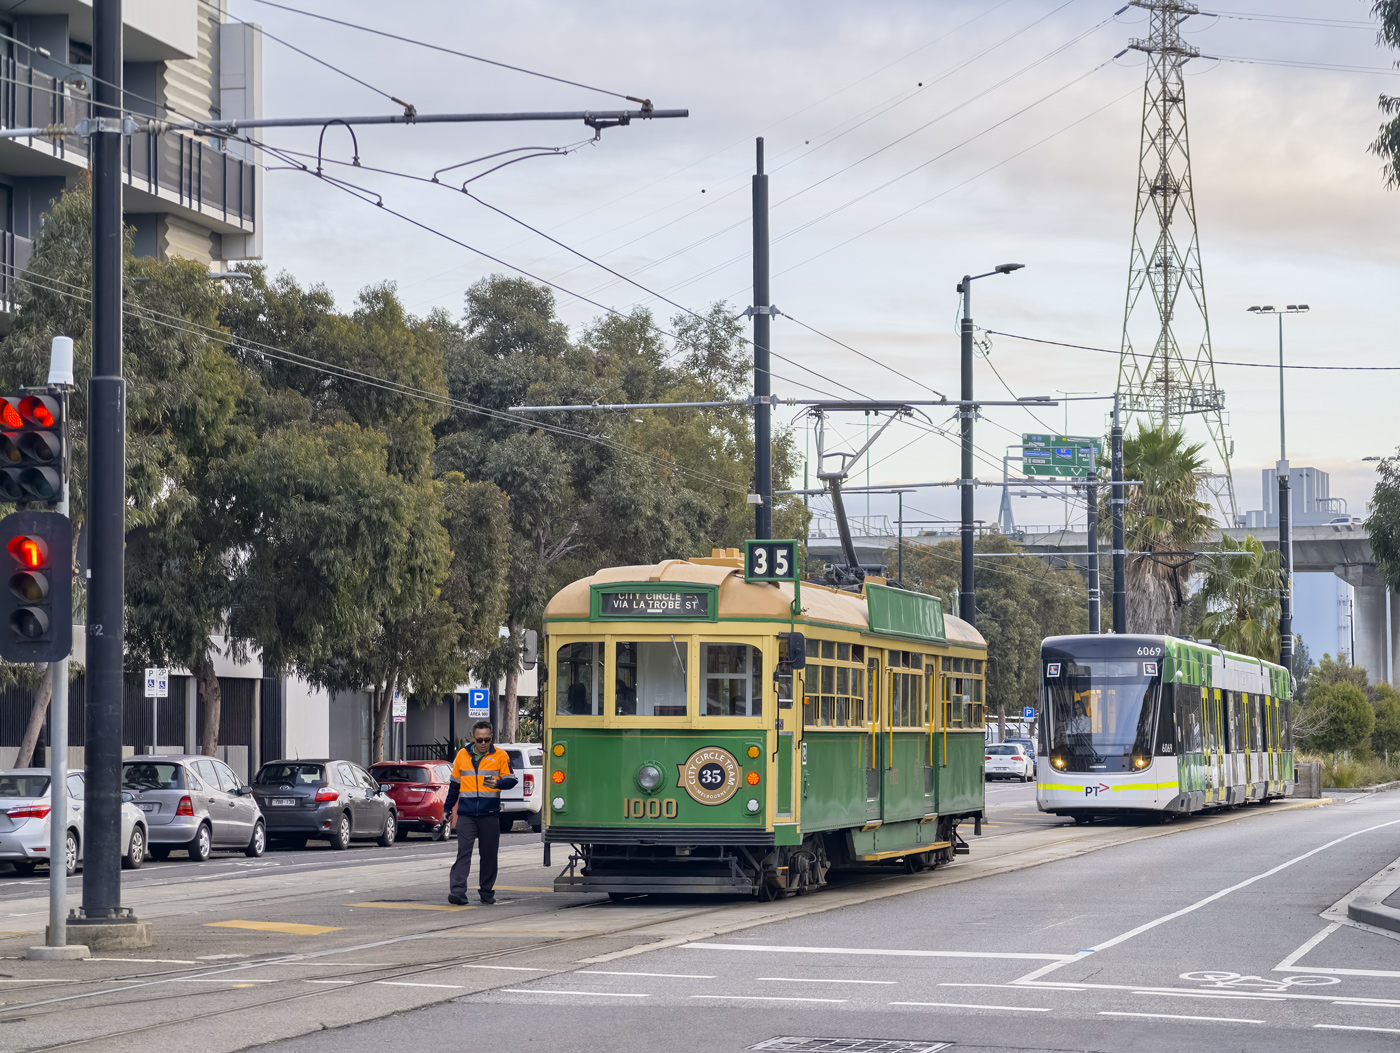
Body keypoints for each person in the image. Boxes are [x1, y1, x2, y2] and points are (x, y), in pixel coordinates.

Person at [445, 720, 517, 905]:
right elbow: (454, 786)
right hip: (467, 814)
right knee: (464, 853)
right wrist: (447, 809)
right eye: (479, 740)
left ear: (491, 737)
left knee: (489, 855)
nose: (483, 743)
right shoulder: (462, 755)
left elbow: (511, 780)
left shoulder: (500, 756)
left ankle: (486, 891)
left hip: (490, 814)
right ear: (472, 738)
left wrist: (499, 783)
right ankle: (458, 892)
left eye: (487, 739)